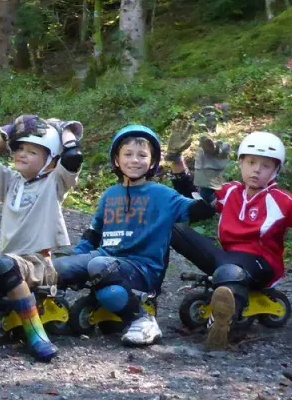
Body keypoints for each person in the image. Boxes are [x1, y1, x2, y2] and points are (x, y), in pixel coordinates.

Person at [168, 131, 292, 350]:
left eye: (266, 166)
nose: (257, 170)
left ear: (275, 170)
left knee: (230, 272)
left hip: (261, 264)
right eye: (251, 162)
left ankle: (225, 323)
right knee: (173, 228)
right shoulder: (230, 191)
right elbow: (195, 196)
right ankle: (147, 286)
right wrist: (176, 160)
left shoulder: (280, 199)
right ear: (241, 163)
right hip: (227, 259)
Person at [56, 124, 215, 347]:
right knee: (60, 267)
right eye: (128, 154)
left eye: (142, 155)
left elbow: (202, 209)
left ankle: (142, 319)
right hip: (105, 260)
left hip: (142, 268)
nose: (134, 160)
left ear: (152, 162)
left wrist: (195, 174)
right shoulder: (110, 194)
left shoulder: (163, 195)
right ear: (116, 160)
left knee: (100, 268)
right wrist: (75, 260)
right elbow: (93, 233)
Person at [0, 113, 85, 362]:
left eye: (33, 152)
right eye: (19, 148)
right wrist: (7, 134)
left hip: (38, 265)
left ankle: (36, 334)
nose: (22, 154)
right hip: (9, 260)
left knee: (5, 265)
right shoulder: (11, 180)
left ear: (51, 161)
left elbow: (73, 156)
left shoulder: (54, 182)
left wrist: (63, 129)